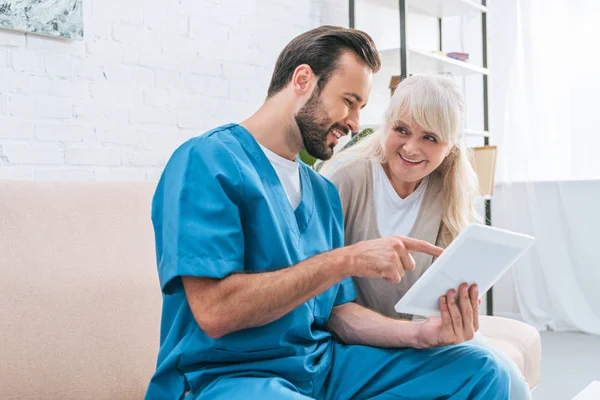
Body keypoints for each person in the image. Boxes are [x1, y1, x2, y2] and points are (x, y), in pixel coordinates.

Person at [145, 26, 511, 399]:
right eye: (348, 101)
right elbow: (215, 311)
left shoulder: (320, 192)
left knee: (482, 372)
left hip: (323, 368)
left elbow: (339, 313)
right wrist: (345, 260)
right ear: (303, 80)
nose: (355, 123)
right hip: (229, 377)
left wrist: (421, 335)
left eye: (361, 109)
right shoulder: (206, 161)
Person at [321, 74, 532, 399]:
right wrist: (417, 334)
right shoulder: (346, 179)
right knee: (490, 372)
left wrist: (456, 308)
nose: (411, 147)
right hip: (360, 342)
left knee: (511, 382)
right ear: (386, 124)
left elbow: (438, 298)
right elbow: (329, 308)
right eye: (401, 129)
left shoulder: (446, 189)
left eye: (430, 137)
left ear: (450, 148)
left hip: (422, 334)